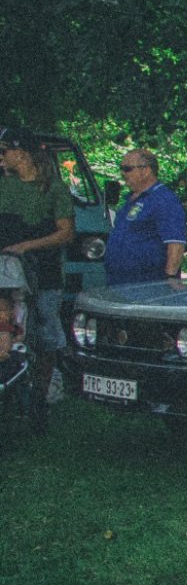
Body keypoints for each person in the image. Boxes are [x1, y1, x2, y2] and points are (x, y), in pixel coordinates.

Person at [0, 129, 75, 416]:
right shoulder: (5, 185)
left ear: (21, 154)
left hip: (44, 273)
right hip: (8, 276)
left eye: (4, 151)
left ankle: (41, 399)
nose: (1, 157)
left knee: (45, 336)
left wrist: (26, 246)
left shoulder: (54, 189)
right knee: (8, 329)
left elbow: (66, 233)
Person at [104, 147, 187, 286]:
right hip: (119, 283)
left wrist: (170, 277)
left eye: (127, 169)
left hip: (146, 286)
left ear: (146, 170)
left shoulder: (163, 199)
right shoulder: (131, 199)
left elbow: (176, 243)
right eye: (121, 168)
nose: (122, 173)